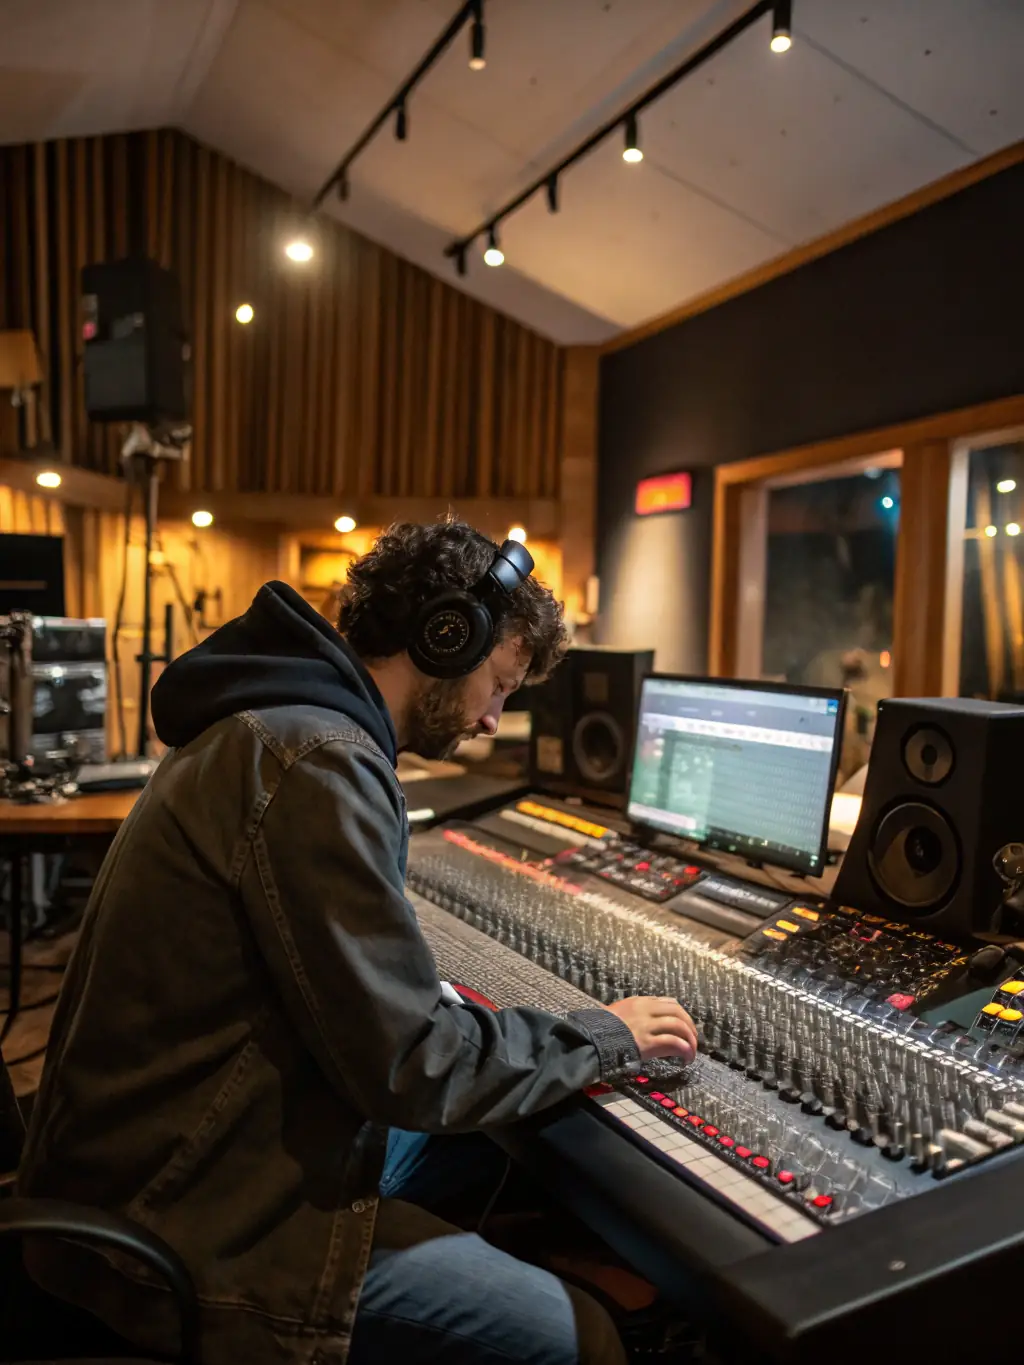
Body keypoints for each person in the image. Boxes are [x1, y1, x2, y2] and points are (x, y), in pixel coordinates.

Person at [18, 519, 698, 1365]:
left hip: (165, 1163)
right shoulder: (319, 760)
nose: (492, 719)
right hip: (183, 1224)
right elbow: (412, 1062)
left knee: (492, 1151)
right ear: (448, 639)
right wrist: (600, 1033)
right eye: (499, 684)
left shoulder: (277, 717)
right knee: (582, 1341)